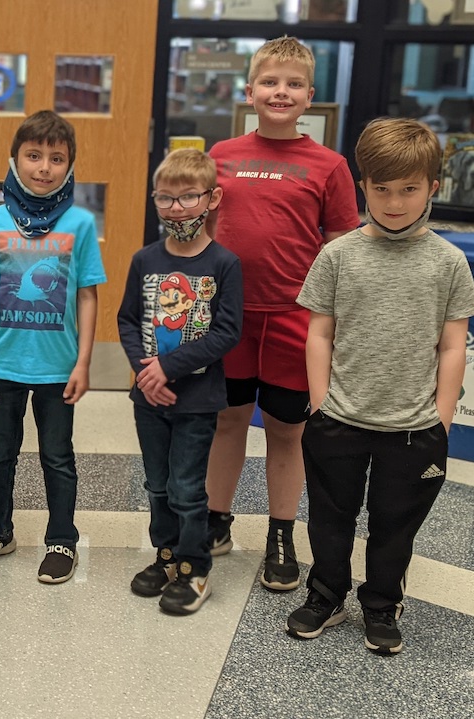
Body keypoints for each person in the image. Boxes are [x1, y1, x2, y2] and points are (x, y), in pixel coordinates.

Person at [287, 118, 474, 653]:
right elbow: (319, 332)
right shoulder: (339, 254)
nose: (395, 202)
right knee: (330, 517)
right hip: (337, 419)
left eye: (409, 189)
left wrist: (441, 418)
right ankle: (325, 593)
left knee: (395, 527)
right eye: (382, 188)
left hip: (414, 427)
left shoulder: (449, 262)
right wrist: (320, 403)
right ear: (362, 186)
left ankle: (382, 604)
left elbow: (453, 345)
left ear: (433, 188)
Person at [204, 36, 359, 591]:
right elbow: (198, 234)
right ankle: (215, 520)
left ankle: (279, 534)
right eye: (270, 82)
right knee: (225, 421)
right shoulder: (219, 156)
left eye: (293, 84)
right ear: (250, 91)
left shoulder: (329, 165)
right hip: (230, 317)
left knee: (286, 432)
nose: (281, 92)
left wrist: (338, 319)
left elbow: (343, 244)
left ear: (310, 96)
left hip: (296, 318)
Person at [0, 110, 106, 584]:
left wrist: (83, 362)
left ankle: (62, 537)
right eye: (34, 155)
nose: (44, 167)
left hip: (57, 366)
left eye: (56, 158)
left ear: (70, 165)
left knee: (57, 455)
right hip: (2, 363)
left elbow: (87, 295)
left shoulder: (80, 225)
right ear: (15, 159)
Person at [118, 149, 243, 613]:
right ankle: (167, 554)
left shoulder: (224, 264)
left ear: (212, 198)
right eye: (166, 199)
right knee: (156, 483)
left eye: (188, 197)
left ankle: (195, 567)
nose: (177, 209)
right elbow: (128, 320)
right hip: (148, 398)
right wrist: (144, 371)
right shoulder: (144, 260)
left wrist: (167, 368)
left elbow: (227, 332)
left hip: (197, 399)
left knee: (186, 488)